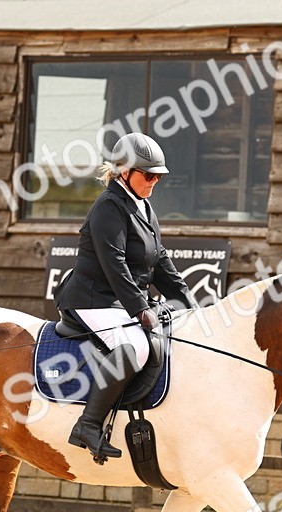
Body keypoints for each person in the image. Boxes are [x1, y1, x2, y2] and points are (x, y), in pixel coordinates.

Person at [53, 132, 198, 460]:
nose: (154, 181)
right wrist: (140, 309)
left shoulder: (143, 207)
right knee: (134, 347)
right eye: (148, 175)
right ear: (124, 172)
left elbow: (160, 261)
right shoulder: (108, 207)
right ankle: (88, 424)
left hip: (118, 300)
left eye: (158, 176)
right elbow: (114, 264)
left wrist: (190, 304)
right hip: (93, 299)